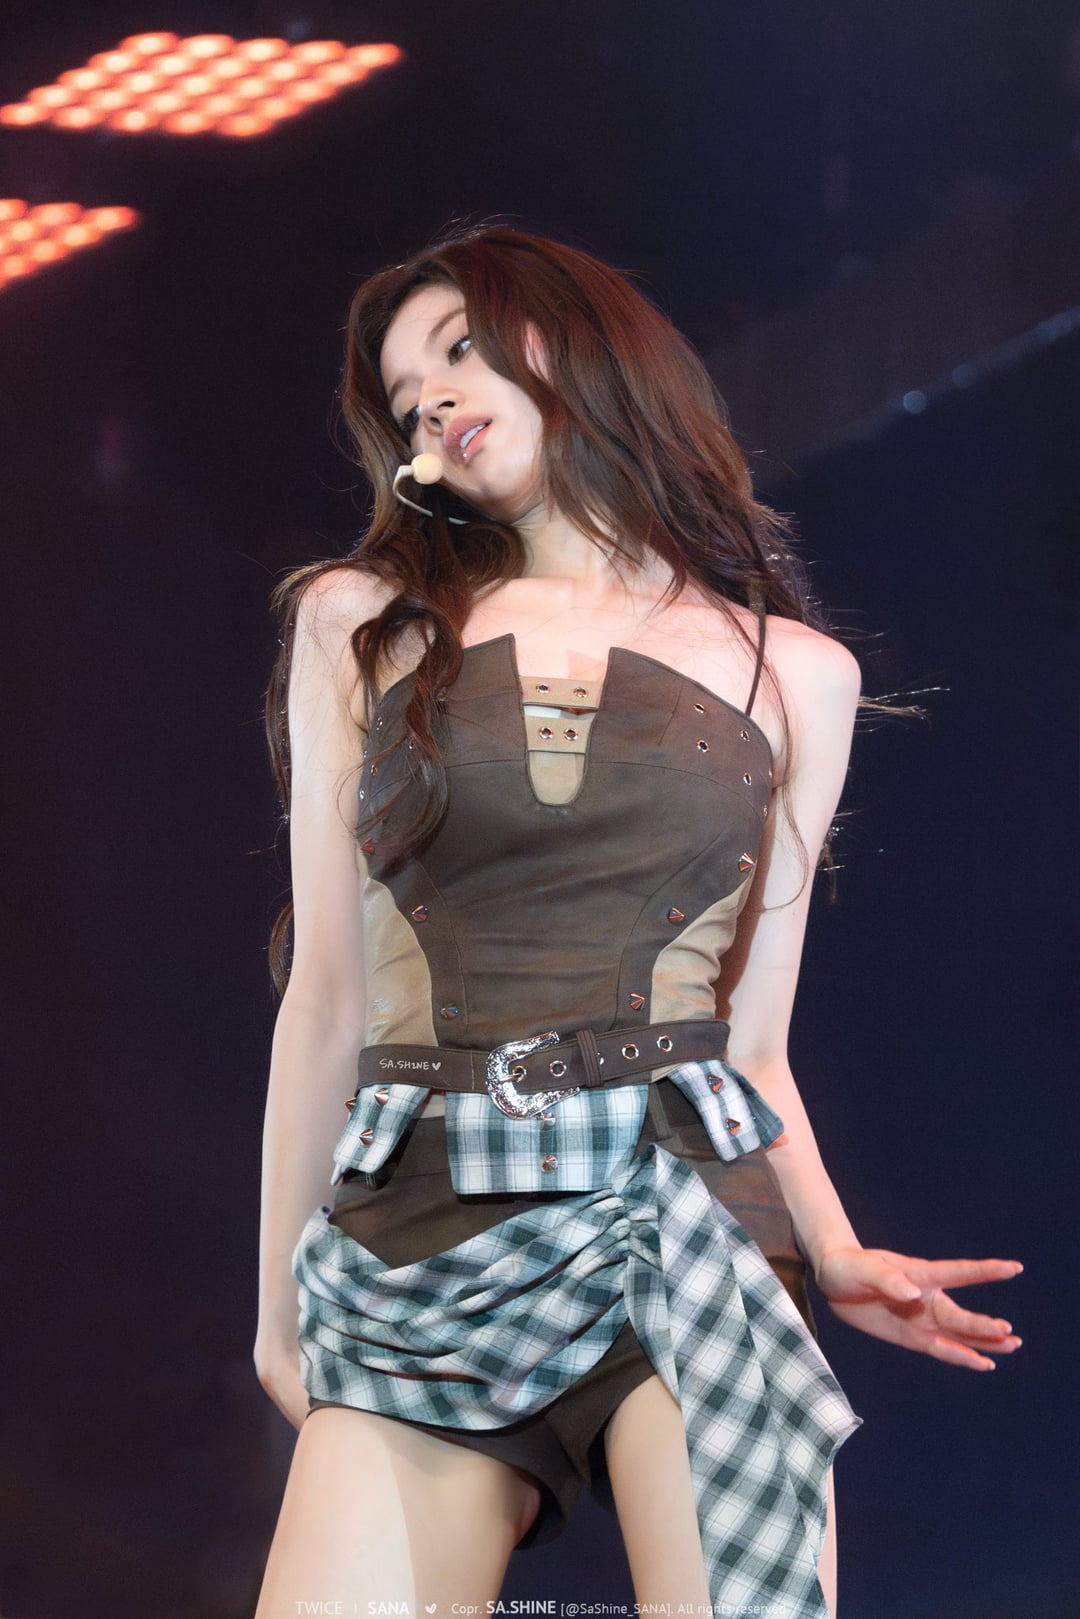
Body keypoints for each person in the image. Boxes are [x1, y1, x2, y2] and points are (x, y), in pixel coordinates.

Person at [252, 226, 1022, 1619]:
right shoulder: (359, 623)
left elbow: (753, 1043)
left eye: (460, 350)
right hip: (422, 1212)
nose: (433, 400)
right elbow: (327, 1000)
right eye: (407, 399)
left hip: (690, 1209)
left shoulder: (797, 672)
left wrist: (834, 1248)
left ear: (580, 345)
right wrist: (274, 1310)